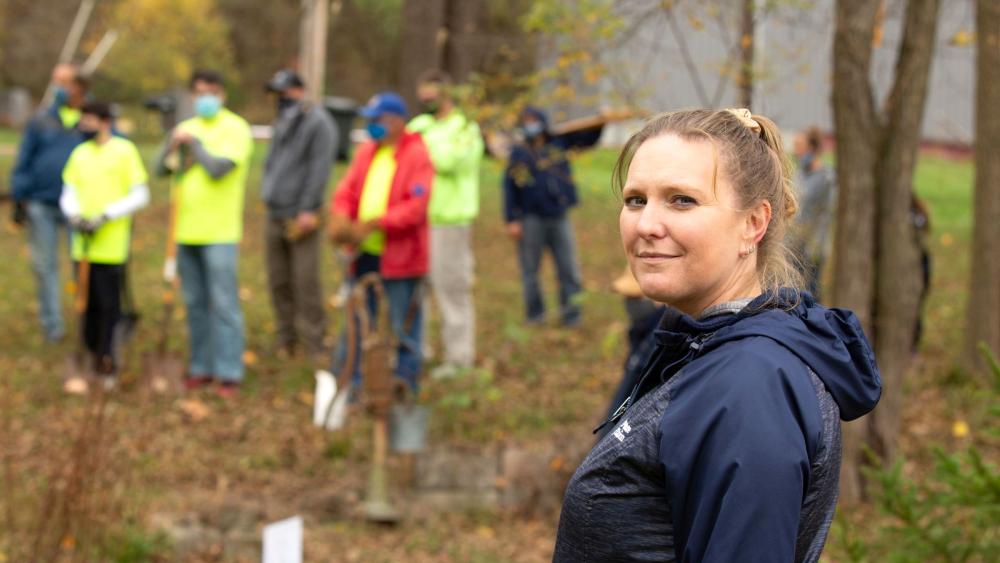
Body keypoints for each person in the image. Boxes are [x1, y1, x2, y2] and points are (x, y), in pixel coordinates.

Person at [554, 109, 882, 562]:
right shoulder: (701, 346)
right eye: (635, 200)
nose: (646, 224)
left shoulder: (750, 387)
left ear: (753, 223)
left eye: (681, 200)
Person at [156, 70, 253, 398]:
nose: (204, 99)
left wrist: (194, 146)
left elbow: (217, 169)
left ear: (222, 95)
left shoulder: (234, 128)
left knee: (224, 304)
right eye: (198, 93)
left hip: (220, 233)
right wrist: (171, 142)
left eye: (210, 92)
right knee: (195, 304)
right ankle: (201, 367)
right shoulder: (185, 128)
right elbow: (159, 168)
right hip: (185, 231)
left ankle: (229, 372)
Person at [328, 92, 433, 393]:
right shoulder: (367, 151)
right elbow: (347, 189)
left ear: (397, 121)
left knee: (404, 323)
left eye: (379, 120)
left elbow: (416, 207)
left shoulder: (417, 155)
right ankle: (351, 382)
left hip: (401, 255)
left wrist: (375, 223)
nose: (373, 125)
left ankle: (405, 384)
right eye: (370, 120)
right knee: (358, 318)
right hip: (363, 253)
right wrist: (341, 216)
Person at [59, 101, 149, 392]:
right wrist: (74, 214)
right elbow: (68, 191)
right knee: (87, 305)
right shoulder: (80, 153)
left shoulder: (124, 151)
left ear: (104, 122)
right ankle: (89, 357)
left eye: (89, 120)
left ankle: (108, 359)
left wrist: (106, 215)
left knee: (110, 305)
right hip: (82, 245)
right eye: (82, 120)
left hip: (111, 245)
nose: (84, 126)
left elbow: (139, 194)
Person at [407, 69, 483, 377]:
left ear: (446, 94)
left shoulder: (464, 127)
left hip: (450, 221)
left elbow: (450, 163)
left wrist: (421, 149)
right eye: (422, 93)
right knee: (415, 289)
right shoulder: (419, 125)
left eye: (432, 93)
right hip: (417, 220)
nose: (426, 99)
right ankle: (417, 350)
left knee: (451, 288)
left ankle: (459, 358)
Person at [261, 69, 338, 361]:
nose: (280, 98)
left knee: (305, 281)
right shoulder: (282, 120)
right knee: (278, 280)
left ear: (299, 90)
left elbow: (319, 170)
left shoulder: (319, 124)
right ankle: (286, 337)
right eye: (277, 93)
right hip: (275, 211)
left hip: (301, 214)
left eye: (285, 92)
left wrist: (308, 207)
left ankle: (315, 342)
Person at [10, 63, 88, 342]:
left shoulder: (90, 119)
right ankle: (52, 326)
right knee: (45, 266)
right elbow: (24, 160)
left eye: (64, 82)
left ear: (78, 87)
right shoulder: (41, 119)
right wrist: (19, 197)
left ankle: (88, 321)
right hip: (42, 204)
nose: (57, 87)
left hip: (80, 206)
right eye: (55, 81)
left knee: (83, 264)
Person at [502, 107, 585, 327]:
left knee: (568, 267)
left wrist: (603, 121)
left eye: (534, 120)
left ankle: (572, 314)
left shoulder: (557, 145)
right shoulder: (519, 153)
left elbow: (586, 139)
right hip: (531, 218)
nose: (530, 125)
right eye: (526, 121)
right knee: (531, 271)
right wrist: (511, 218)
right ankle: (535, 316)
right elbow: (509, 187)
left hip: (559, 215)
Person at [597, 267, 665, 439]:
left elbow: (629, 400)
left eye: (636, 297)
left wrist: (608, 437)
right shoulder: (641, 333)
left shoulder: (656, 345)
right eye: (627, 297)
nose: (630, 303)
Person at [792, 126, 836, 299]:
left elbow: (827, 213)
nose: (796, 151)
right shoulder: (799, 174)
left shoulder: (827, 178)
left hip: (814, 248)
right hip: (795, 247)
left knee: (811, 295)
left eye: (799, 146)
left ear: (811, 148)